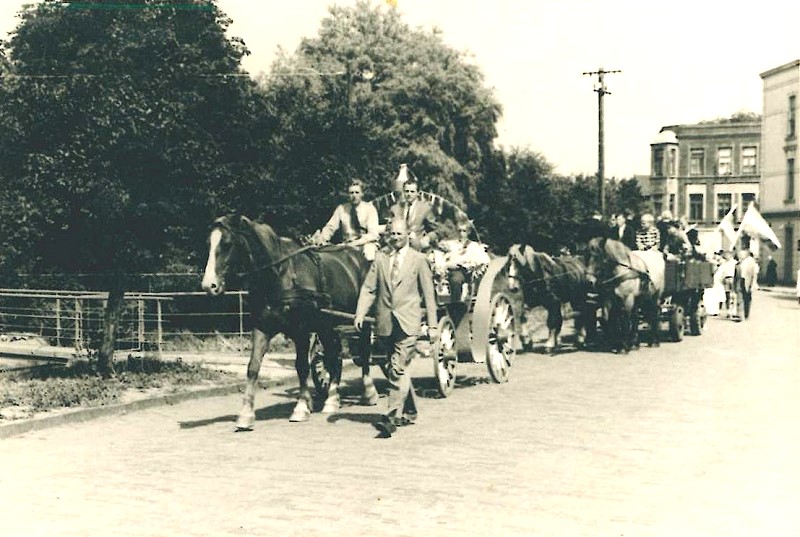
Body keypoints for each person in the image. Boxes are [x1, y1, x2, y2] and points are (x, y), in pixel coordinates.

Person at [354, 218, 438, 438]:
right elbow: (369, 288)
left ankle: (391, 417)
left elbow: (429, 296)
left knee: (397, 368)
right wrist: (361, 312)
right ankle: (409, 409)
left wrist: (433, 325)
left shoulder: (418, 260)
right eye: (393, 234)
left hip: (408, 323)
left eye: (400, 234)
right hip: (385, 322)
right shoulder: (381, 259)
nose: (396, 237)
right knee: (396, 368)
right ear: (388, 235)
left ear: (408, 234)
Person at [312, 179, 380, 260]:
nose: (354, 196)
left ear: (362, 194)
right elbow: (330, 227)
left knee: (369, 253)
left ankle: (370, 272)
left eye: (357, 192)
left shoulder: (370, 209)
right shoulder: (341, 209)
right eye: (351, 193)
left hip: (365, 244)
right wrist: (321, 238)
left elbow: (373, 234)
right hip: (346, 244)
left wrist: (355, 243)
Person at [436, 218, 491, 302]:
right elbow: (441, 250)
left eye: (464, 231)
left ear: (468, 232)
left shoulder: (473, 245)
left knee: (456, 279)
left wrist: (469, 264)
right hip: (447, 269)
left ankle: (456, 304)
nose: (461, 233)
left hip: (463, 271)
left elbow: (483, 260)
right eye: (459, 231)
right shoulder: (452, 244)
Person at [387, 178, 438, 251]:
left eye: (412, 191)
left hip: (417, 245)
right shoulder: (395, 209)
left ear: (418, 193)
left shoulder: (425, 208)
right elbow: (389, 228)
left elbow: (436, 230)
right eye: (406, 191)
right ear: (403, 192)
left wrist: (428, 238)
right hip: (397, 244)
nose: (409, 194)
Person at [733, 248, 758, 321]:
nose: (740, 255)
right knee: (739, 299)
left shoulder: (751, 262)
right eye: (740, 254)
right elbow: (735, 276)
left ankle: (746, 315)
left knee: (747, 300)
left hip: (747, 282)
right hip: (739, 282)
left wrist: (753, 284)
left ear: (746, 254)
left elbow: (754, 275)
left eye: (742, 254)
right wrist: (734, 286)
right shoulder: (737, 264)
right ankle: (740, 316)